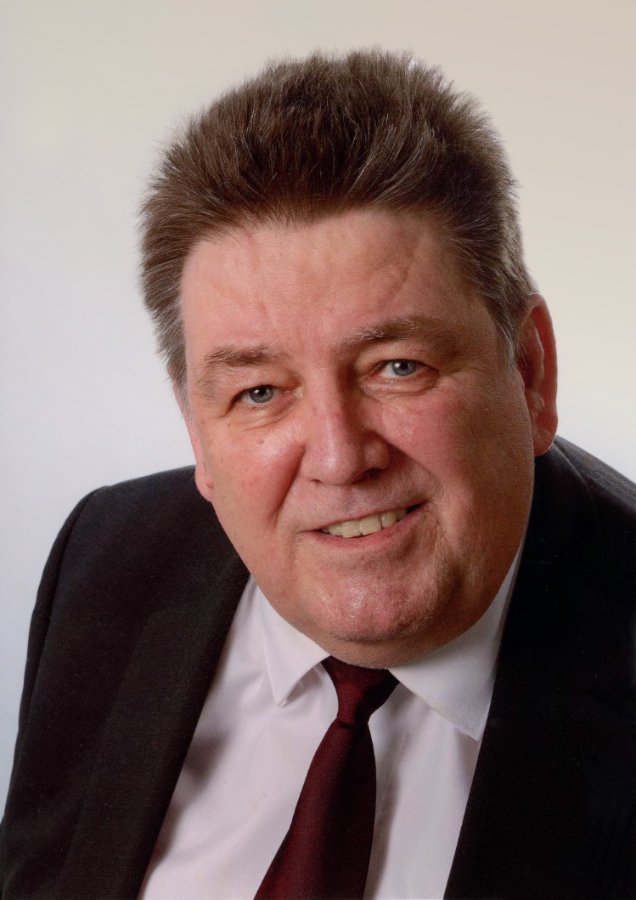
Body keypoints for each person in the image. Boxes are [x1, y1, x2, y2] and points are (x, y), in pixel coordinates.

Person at [1, 50, 634, 899]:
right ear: (196, 427)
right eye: (260, 391)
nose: (339, 458)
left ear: (529, 372)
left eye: (397, 367)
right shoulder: (107, 562)